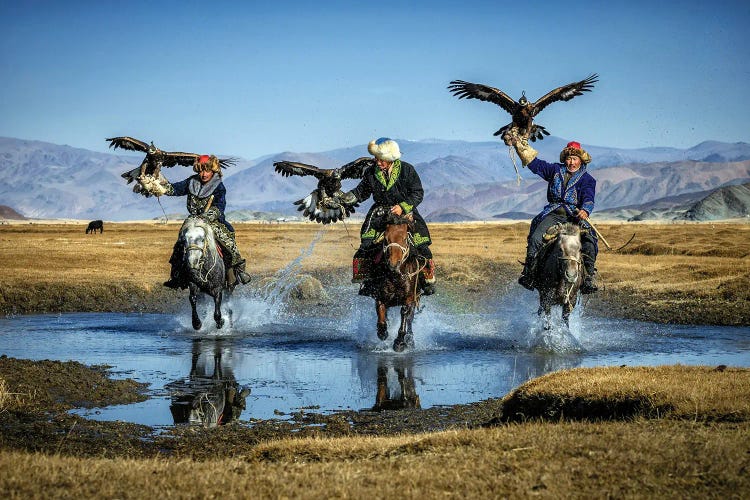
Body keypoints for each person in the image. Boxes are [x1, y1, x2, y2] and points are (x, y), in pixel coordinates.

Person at [505, 128, 599, 293]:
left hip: (575, 217)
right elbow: (535, 164)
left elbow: (589, 198)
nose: (571, 162)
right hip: (554, 214)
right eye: (569, 158)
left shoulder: (587, 179)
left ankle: (588, 279)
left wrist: (585, 210)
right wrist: (518, 146)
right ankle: (529, 273)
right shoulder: (555, 170)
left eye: (574, 159)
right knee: (535, 238)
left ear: (581, 160)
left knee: (590, 242)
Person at [339, 138, 436, 296]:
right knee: (366, 246)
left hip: (407, 213)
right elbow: (360, 193)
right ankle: (366, 281)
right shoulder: (371, 173)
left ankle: (427, 281)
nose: (377, 162)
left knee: (422, 246)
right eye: (376, 158)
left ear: (390, 158)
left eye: (380, 159)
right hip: (379, 215)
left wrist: (403, 206)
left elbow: (418, 193)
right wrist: (342, 200)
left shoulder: (407, 170)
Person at [143, 154, 251, 289]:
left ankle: (238, 270)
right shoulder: (191, 182)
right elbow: (175, 189)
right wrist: (159, 187)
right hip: (193, 220)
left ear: (213, 170)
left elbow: (220, 206)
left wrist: (207, 216)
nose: (203, 174)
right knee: (180, 244)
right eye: (200, 171)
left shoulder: (219, 186)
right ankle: (176, 275)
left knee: (227, 242)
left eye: (206, 170)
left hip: (213, 221)